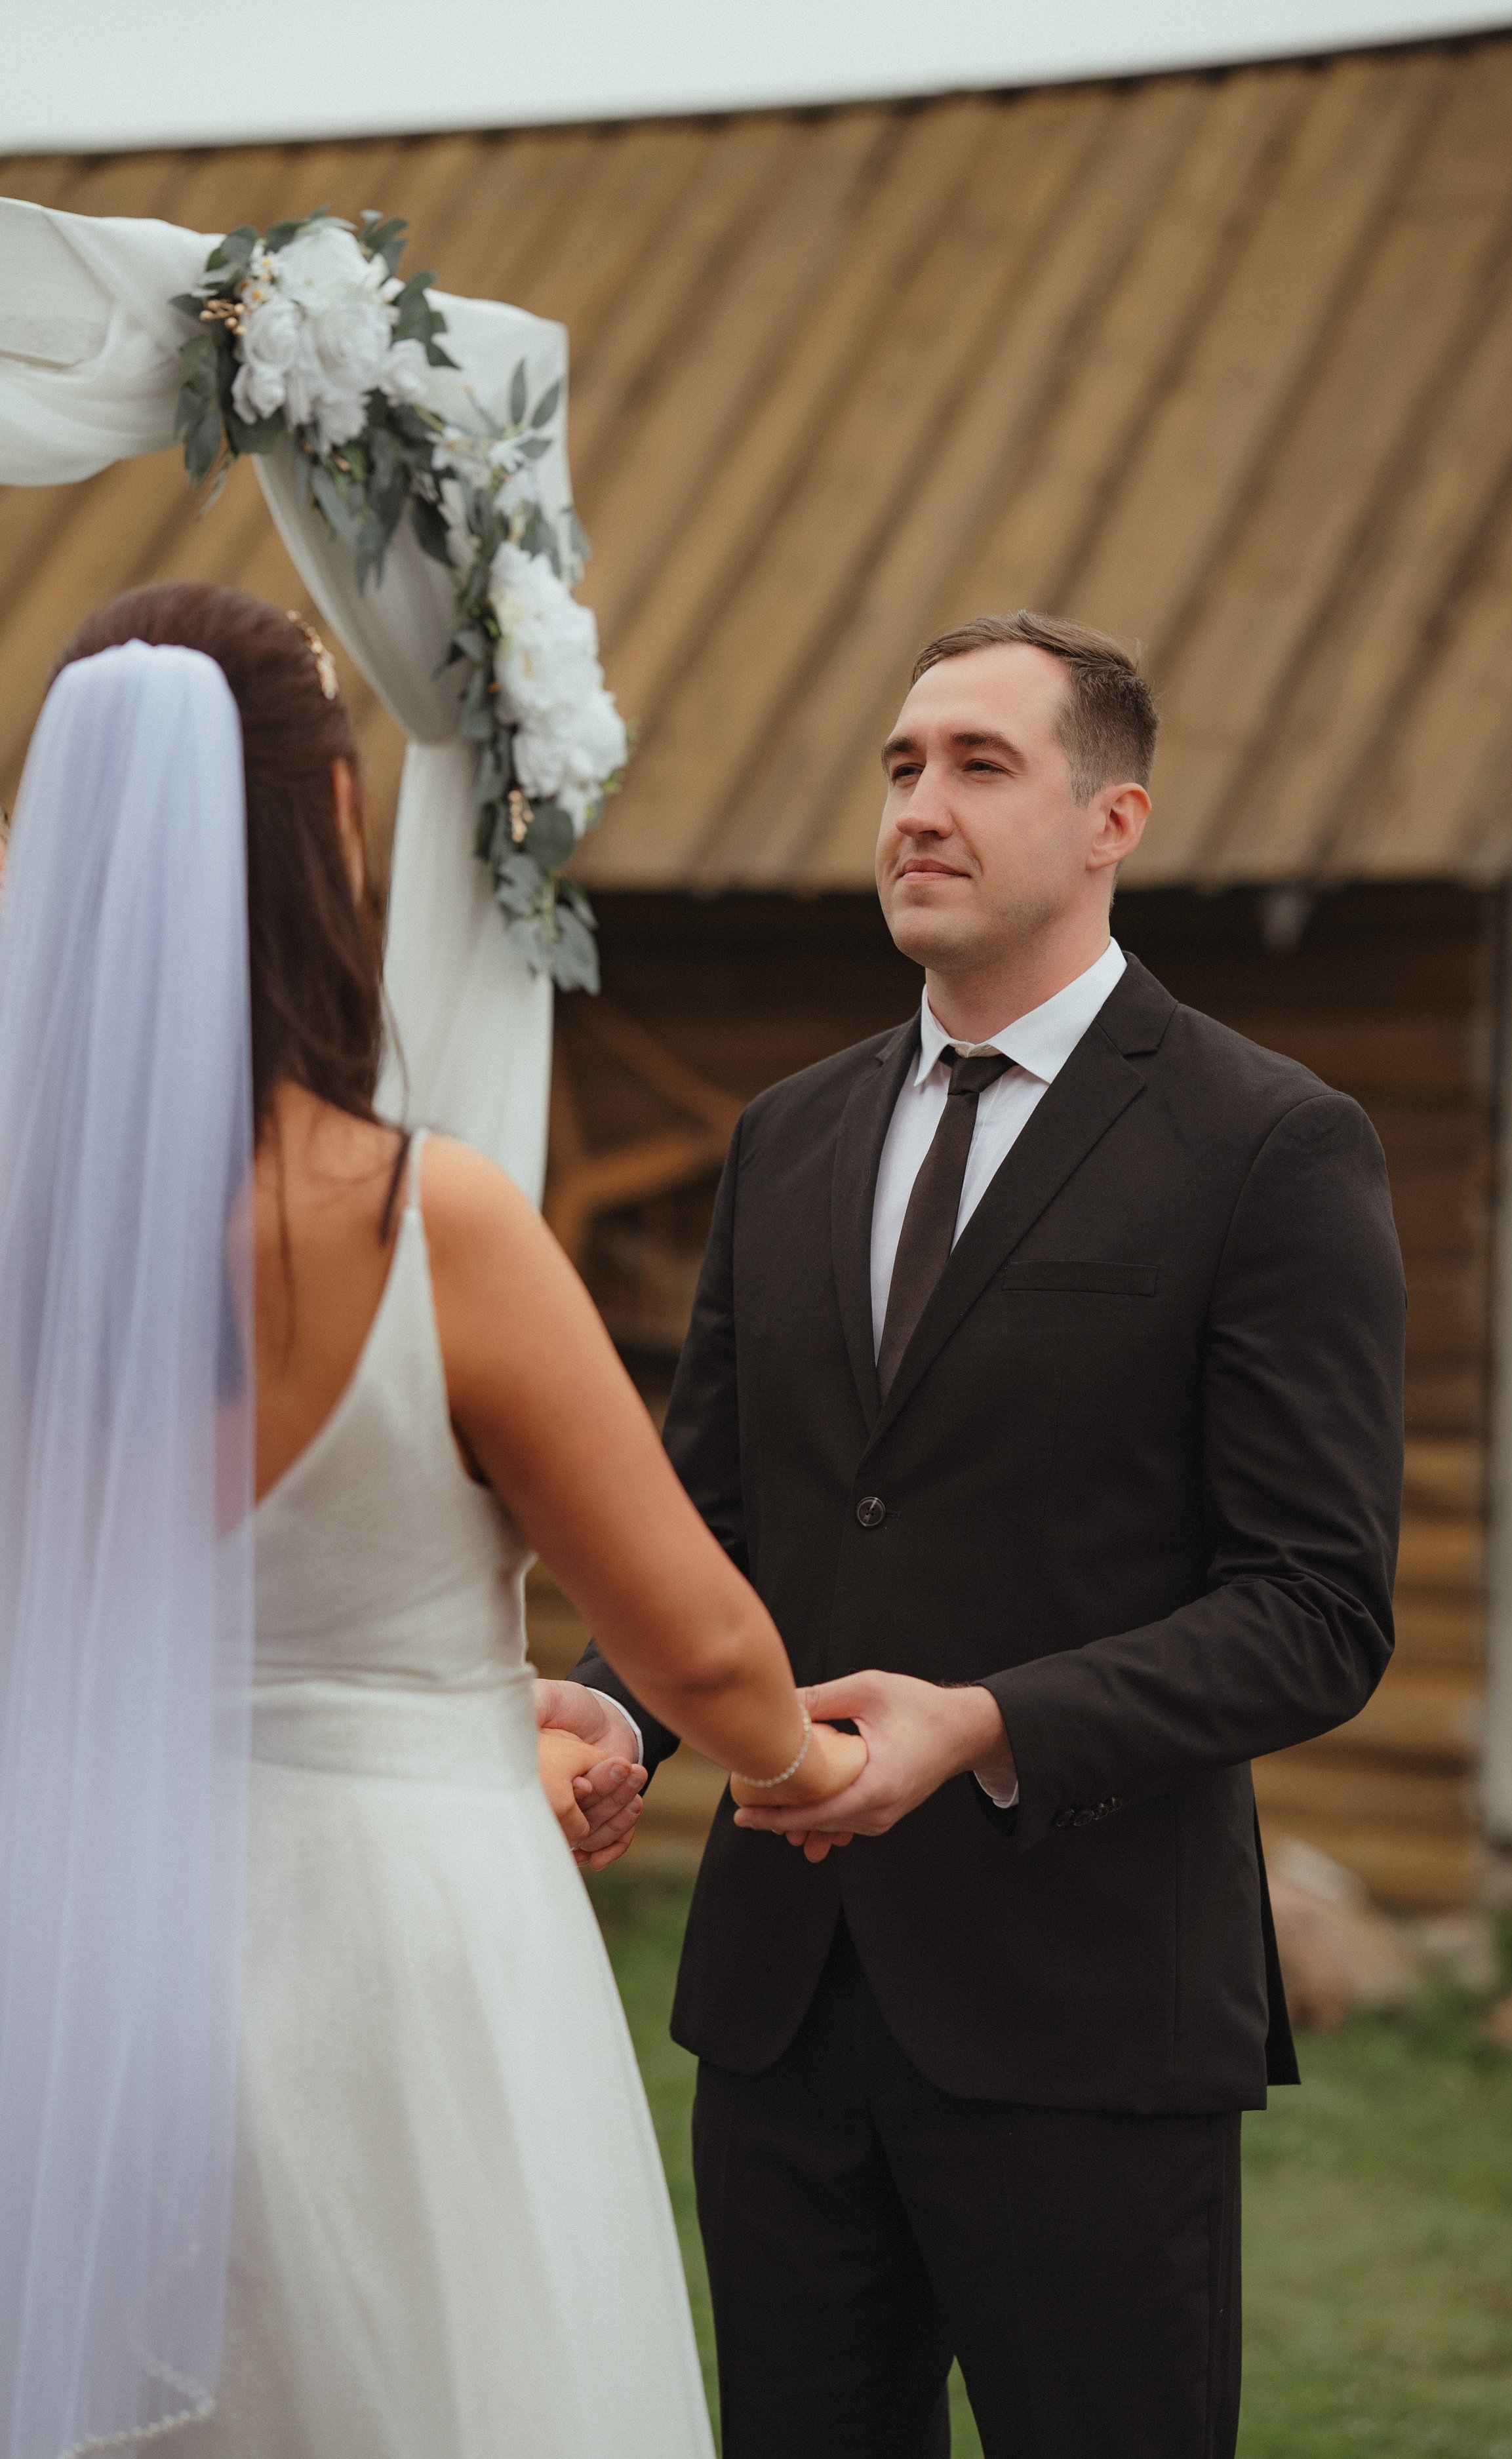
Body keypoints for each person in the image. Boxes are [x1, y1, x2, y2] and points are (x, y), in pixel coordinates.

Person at [0, 583, 864, 2459]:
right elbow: (704, 1643)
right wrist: (792, 1767)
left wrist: (468, 1721)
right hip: (393, 1968)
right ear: (325, 827)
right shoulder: (423, 1221)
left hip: (73, 1957)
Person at [551, 612, 1406, 2458]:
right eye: (899, 767)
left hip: (1088, 2018)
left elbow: (1314, 1607)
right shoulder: (784, 1140)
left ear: (1115, 819)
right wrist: (615, 1706)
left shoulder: (1272, 1144)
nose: (917, 808)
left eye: (977, 766)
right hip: (780, 2010)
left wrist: (989, 1726)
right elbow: (712, 1512)